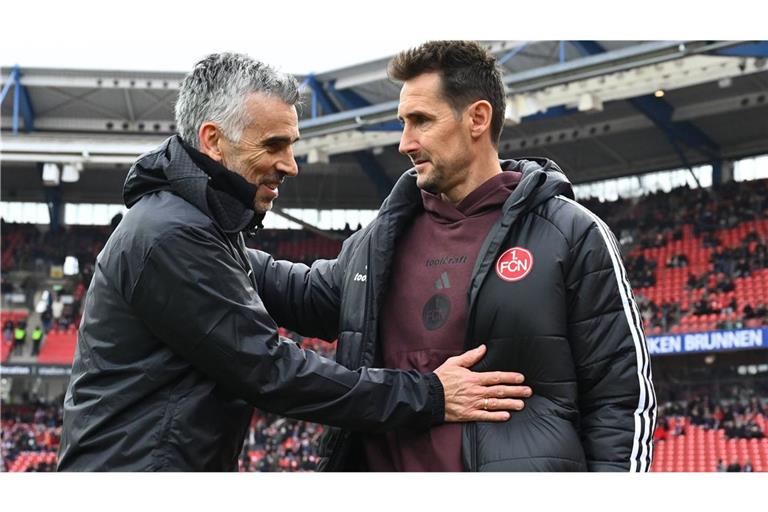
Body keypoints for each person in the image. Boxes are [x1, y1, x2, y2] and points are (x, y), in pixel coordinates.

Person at [56, 52, 530, 472]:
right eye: (273, 145)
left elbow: (315, 297)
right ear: (213, 140)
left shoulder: (207, 231)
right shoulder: (171, 236)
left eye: (291, 145)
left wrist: (419, 228)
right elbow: (273, 371)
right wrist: (428, 394)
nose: (290, 164)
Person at [252, 40, 656, 471]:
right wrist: (210, 236)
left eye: (421, 121)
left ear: (478, 118)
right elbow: (305, 295)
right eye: (403, 123)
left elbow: (621, 401)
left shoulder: (571, 233)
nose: (405, 143)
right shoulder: (380, 239)